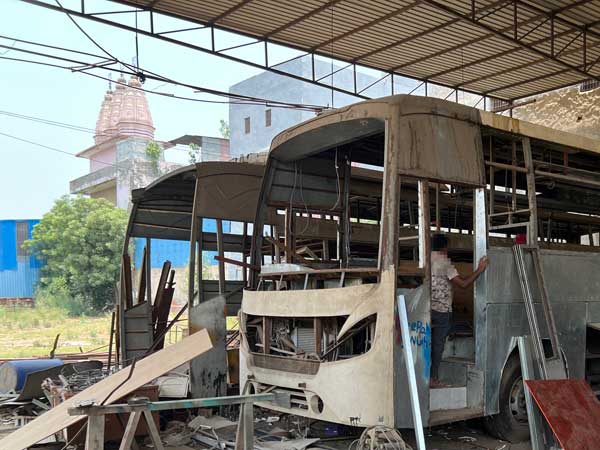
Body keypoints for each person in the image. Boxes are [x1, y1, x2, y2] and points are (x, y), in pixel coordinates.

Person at [430, 233, 488, 388]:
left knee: (427, 344)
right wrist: (479, 270)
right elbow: (463, 284)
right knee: (438, 345)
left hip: (427, 309)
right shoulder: (444, 263)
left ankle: (424, 376)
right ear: (444, 247)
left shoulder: (425, 260)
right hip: (442, 310)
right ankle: (433, 379)